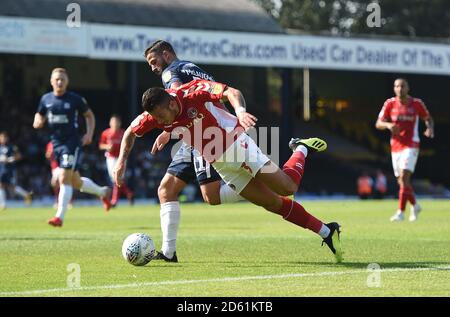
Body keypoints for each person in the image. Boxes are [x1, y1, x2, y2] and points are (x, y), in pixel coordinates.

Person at [114, 79, 343, 263]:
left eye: (161, 117)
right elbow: (130, 133)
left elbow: (231, 92)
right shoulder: (156, 115)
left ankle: (300, 148)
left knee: (287, 188)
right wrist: (121, 162)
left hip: (237, 145)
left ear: (172, 104)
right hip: (221, 163)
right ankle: (326, 231)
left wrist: (241, 112)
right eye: (155, 119)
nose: (158, 122)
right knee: (272, 204)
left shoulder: (193, 91)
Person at [138, 40, 244, 262]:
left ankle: (261, 190)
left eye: (154, 61)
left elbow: (176, 97)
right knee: (166, 190)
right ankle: (168, 253)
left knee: (212, 196)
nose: (153, 67)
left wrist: (170, 129)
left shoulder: (171, 72)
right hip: (198, 132)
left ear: (166, 55)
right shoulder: (190, 67)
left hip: (202, 135)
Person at [33, 68, 112, 227]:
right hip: (56, 144)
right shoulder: (46, 99)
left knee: (63, 177)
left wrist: (89, 134)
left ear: (67, 81)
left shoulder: (75, 99)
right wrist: (37, 122)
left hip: (72, 143)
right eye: (57, 79)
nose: (59, 82)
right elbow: (39, 115)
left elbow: (89, 115)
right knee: (75, 182)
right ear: (51, 81)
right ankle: (103, 192)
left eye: (62, 79)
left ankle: (59, 217)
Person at [376, 78, 434, 222]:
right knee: (402, 182)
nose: (399, 88)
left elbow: (428, 118)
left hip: (411, 144)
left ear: (408, 88)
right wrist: (389, 125)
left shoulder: (416, 104)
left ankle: (400, 212)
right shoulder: (389, 103)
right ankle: (415, 205)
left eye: (402, 86)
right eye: (396, 86)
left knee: (404, 177)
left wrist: (430, 127)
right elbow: (378, 123)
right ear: (394, 88)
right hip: (395, 146)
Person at [99, 115, 134, 207]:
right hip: (110, 158)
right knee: (115, 179)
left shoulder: (123, 133)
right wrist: (107, 147)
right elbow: (100, 145)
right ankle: (128, 193)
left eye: (116, 122)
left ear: (119, 123)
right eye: (113, 122)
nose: (115, 124)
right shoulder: (106, 133)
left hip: (121, 158)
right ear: (110, 123)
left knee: (117, 178)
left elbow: (129, 143)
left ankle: (115, 200)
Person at [0, 131, 33, 210]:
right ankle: (3, 204)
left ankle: (26, 195)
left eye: (4, 137)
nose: (2, 139)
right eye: (1, 138)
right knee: (1, 185)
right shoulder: (0, 147)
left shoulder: (11, 146)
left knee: (12, 188)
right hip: (2, 169)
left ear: (7, 138)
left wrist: (10, 159)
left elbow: (19, 156)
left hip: (10, 169)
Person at [45, 141, 74, 209]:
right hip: (55, 167)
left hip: (63, 165)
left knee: (65, 182)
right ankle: (58, 202)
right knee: (55, 184)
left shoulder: (64, 142)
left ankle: (69, 202)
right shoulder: (50, 144)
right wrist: (50, 153)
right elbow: (47, 155)